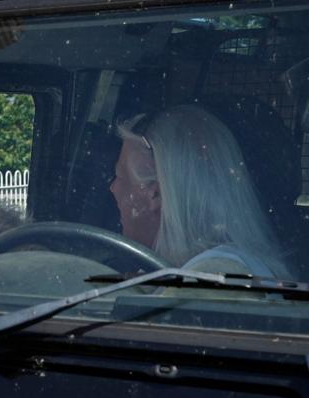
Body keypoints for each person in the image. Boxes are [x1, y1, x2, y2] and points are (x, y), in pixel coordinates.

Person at [112, 104, 291, 278]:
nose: (113, 188)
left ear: (155, 194)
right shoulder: (179, 271)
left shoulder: (215, 275)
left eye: (121, 177)